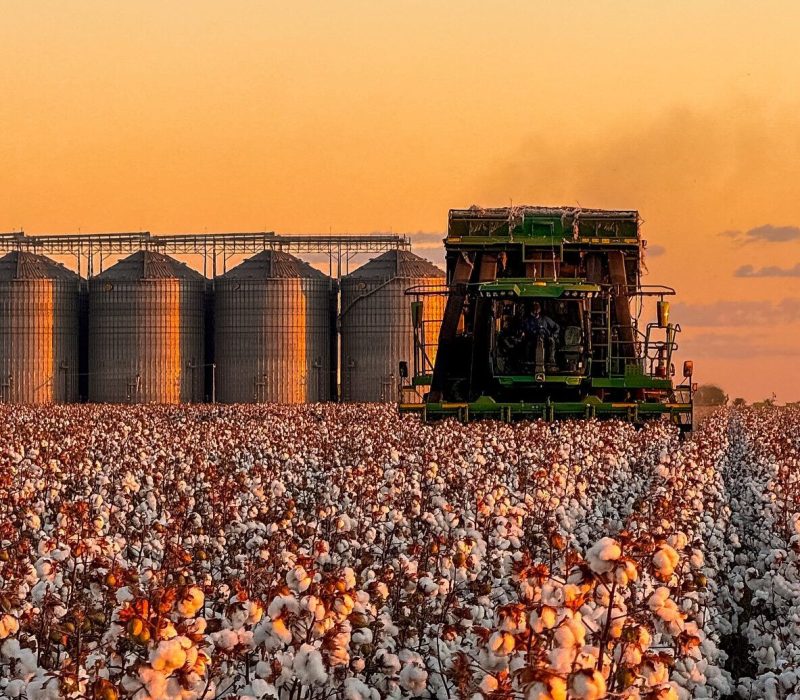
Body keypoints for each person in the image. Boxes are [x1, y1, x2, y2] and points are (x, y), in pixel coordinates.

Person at [522, 302, 560, 370]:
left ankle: (551, 360)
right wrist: (523, 333)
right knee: (527, 344)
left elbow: (556, 326)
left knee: (551, 341)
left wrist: (554, 335)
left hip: (545, 338)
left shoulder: (545, 319)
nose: (536, 313)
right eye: (534, 311)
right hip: (533, 339)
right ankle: (528, 361)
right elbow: (523, 329)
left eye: (537, 311)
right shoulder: (527, 320)